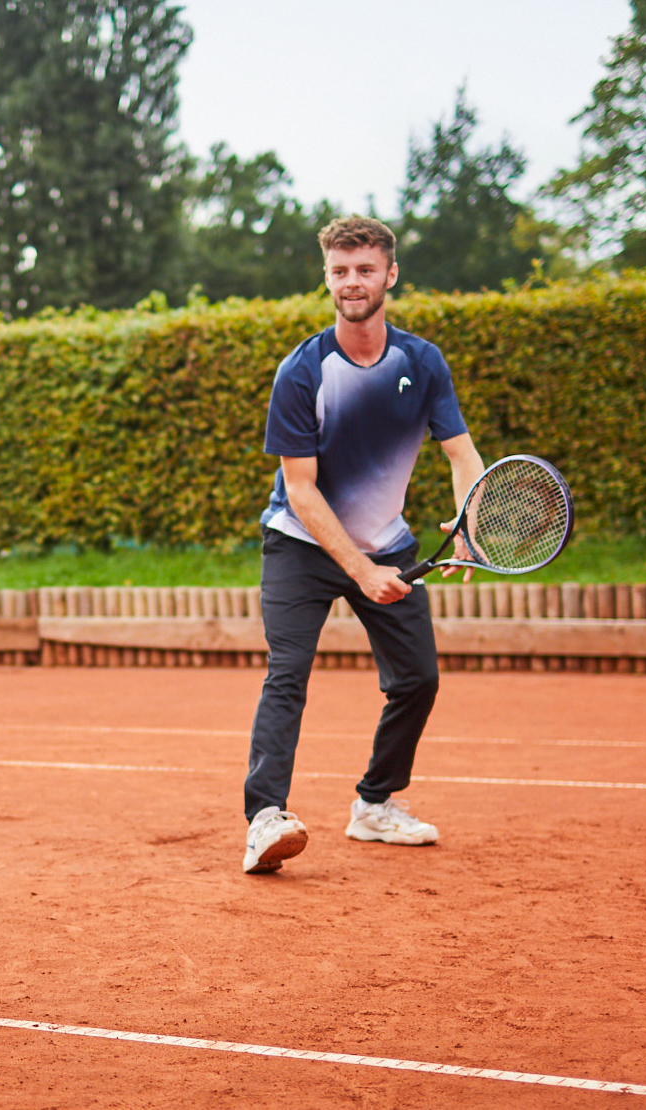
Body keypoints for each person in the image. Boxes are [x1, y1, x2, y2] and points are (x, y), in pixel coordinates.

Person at [241, 215, 484, 876]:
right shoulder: (303, 370)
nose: (353, 281)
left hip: (388, 542)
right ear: (327, 278)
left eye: (366, 269)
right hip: (300, 543)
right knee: (288, 673)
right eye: (340, 271)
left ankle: (374, 804)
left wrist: (469, 518)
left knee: (418, 680)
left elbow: (461, 453)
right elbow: (300, 490)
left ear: (390, 275)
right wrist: (361, 571)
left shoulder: (422, 362)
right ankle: (265, 819)